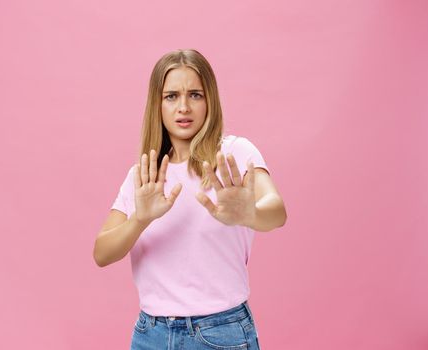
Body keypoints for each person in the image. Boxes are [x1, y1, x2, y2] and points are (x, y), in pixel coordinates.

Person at [93, 49, 287, 350]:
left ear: (210, 100)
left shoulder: (235, 154)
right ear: (157, 105)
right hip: (150, 334)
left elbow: (276, 211)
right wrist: (140, 219)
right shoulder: (145, 176)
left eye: (195, 94)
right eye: (171, 96)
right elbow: (102, 253)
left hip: (221, 332)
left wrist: (248, 214)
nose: (183, 107)